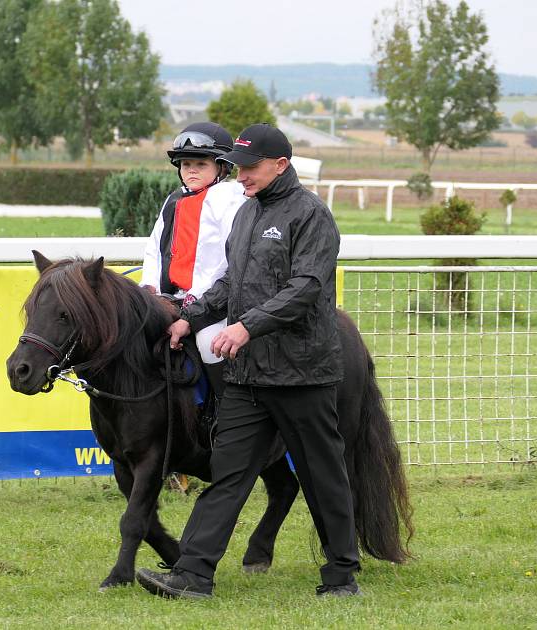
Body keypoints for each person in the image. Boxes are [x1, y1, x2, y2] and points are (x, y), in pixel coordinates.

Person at [136, 123, 362, 599]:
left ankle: (341, 576)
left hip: (302, 374)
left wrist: (247, 326)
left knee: (322, 476)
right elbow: (227, 285)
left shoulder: (312, 215)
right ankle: (193, 575)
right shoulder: (246, 215)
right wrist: (191, 319)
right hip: (247, 375)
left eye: (250, 168)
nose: (241, 177)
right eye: (236, 168)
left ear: (281, 164)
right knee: (229, 473)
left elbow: (307, 288)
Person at [140, 121, 246, 395]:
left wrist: (195, 298)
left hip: (213, 301)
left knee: (209, 342)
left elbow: (226, 261)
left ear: (222, 168)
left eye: (201, 165)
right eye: (186, 164)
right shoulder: (173, 200)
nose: (191, 170)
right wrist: (149, 287)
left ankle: (226, 408)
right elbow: (155, 249)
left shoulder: (228, 198)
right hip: (171, 295)